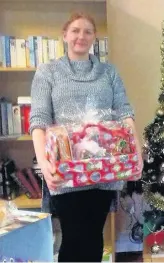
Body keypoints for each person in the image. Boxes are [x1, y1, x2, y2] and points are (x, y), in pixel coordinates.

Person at [29, 12, 142, 262]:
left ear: (95, 37)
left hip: (104, 169)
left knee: (94, 235)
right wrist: (43, 162)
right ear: (65, 35)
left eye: (88, 31)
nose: (81, 36)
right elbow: (39, 119)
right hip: (66, 169)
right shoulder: (48, 72)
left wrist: (136, 154)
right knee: (73, 236)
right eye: (76, 30)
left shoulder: (108, 72)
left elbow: (125, 112)